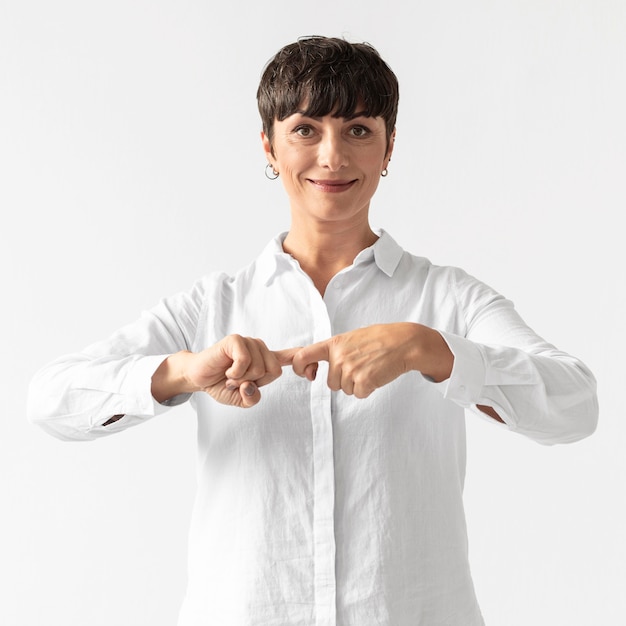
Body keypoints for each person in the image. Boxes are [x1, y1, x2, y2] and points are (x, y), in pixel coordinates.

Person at [27, 36, 598, 626]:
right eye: (305, 129)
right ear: (269, 146)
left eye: (358, 130)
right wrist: (182, 371)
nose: (332, 157)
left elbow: (577, 405)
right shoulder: (212, 306)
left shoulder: (447, 299)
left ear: (388, 146)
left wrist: (426, 348)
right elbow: (49, 400)